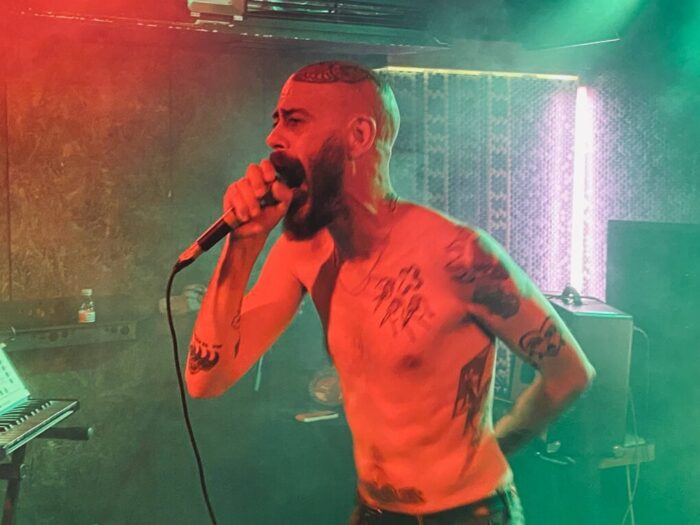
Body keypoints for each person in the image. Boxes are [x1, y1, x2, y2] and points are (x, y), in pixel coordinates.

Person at [186, 60, 595, 525]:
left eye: (294, 121)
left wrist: (498, 445)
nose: (273, 138)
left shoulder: (459, 255)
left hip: (470, 513)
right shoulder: (302, 251)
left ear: (359, 136)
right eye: (276, 120)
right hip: (376, 512)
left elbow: (570, 373)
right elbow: (205, 381)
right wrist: (244, 244)